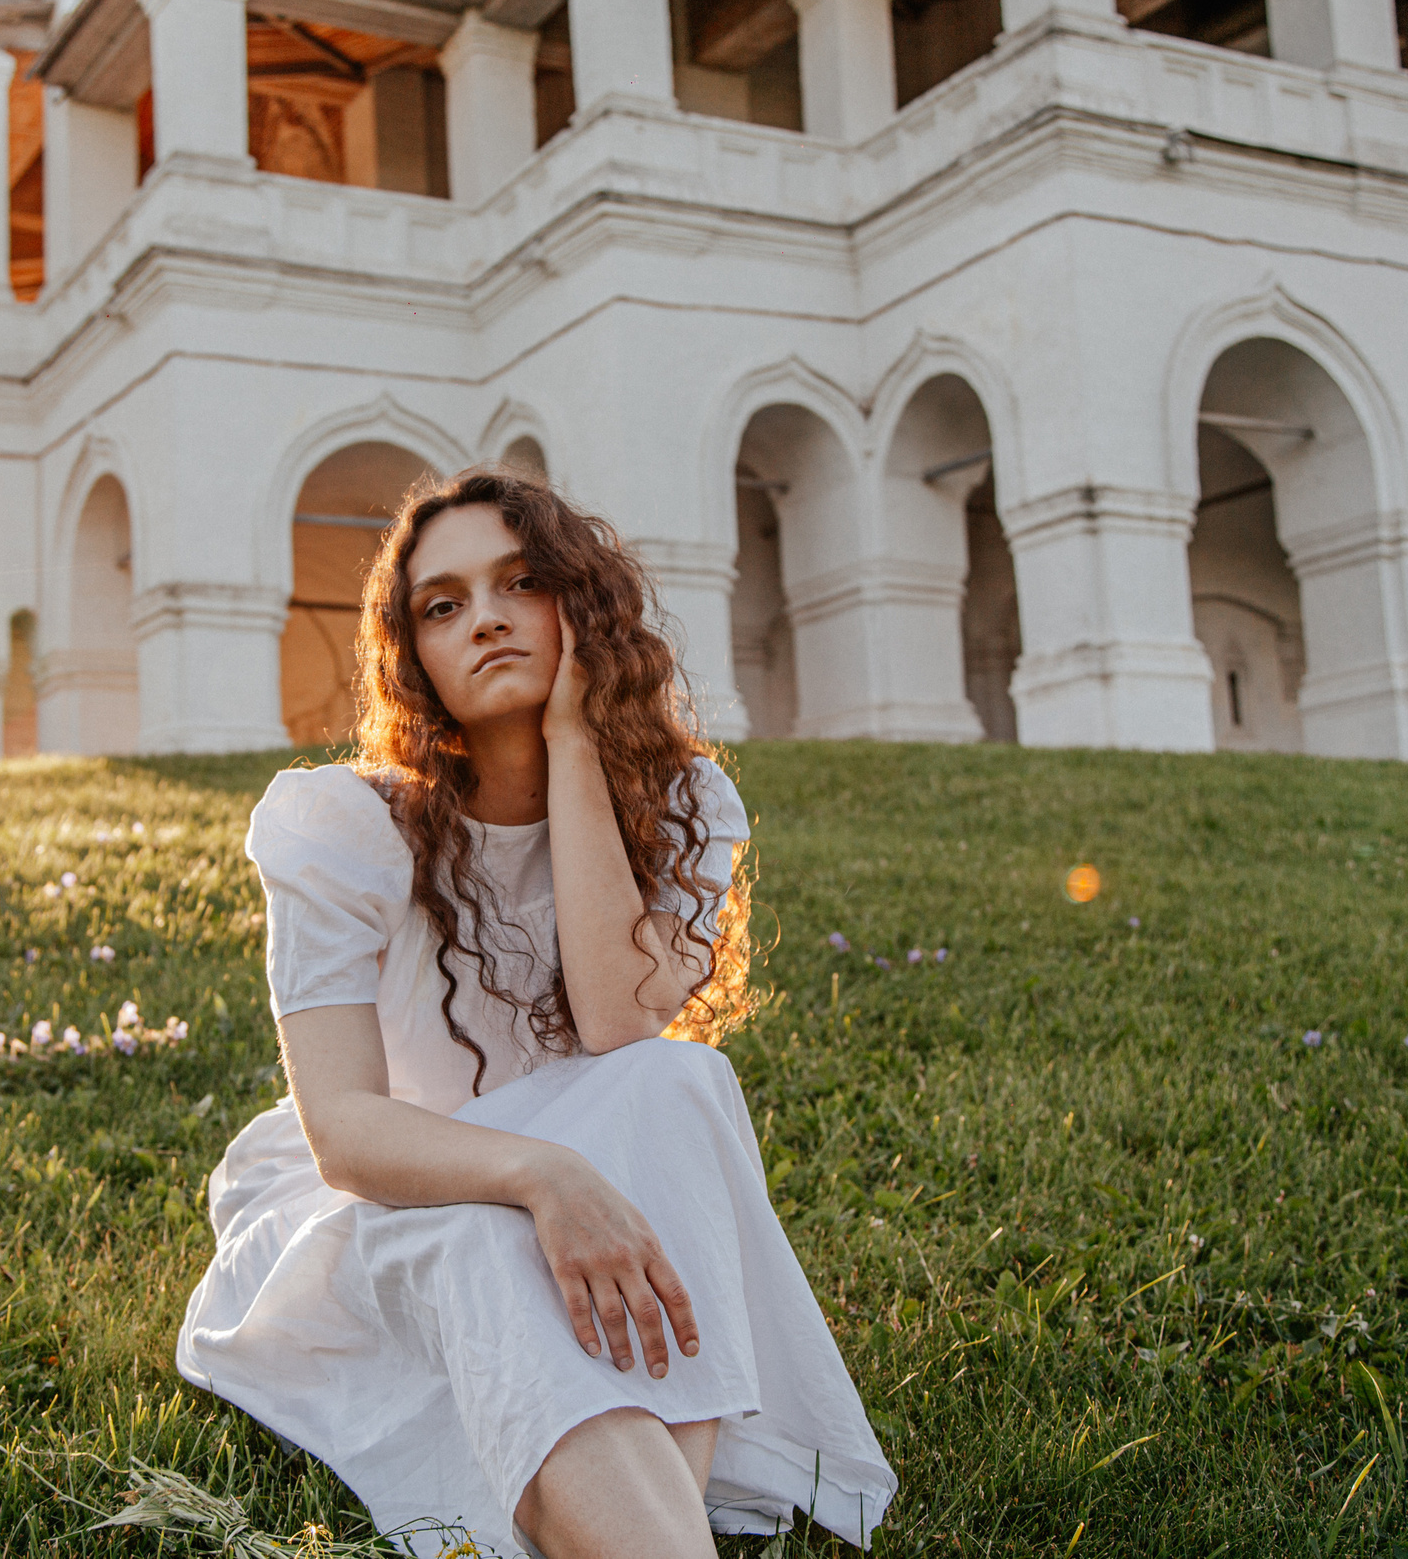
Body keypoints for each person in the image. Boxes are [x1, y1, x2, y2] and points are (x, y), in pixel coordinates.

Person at [177, 467, 895, 1558]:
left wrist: (574, 744)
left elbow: (615, 1023)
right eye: (444, 605)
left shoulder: (684, 805)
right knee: (486, 1242)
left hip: (591, 1180)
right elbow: (345, 1135)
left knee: (682, 1075)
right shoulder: (341, 824)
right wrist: (542, 1176)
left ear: (583, 604)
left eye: (521, 583)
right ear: (412, 654)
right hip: (392, 1203)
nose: (486, 620)